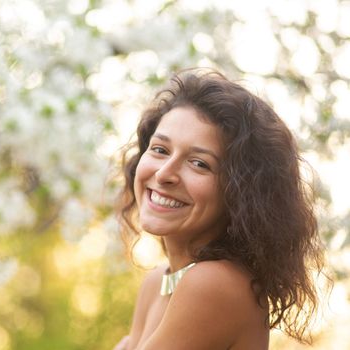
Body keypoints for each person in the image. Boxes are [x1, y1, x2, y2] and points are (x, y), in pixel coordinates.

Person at [114, 69, 325, 350]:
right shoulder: (158, 282)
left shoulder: (214, 284)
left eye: (199, 163)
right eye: (160, 150)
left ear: (240, 193)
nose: (165, 173)